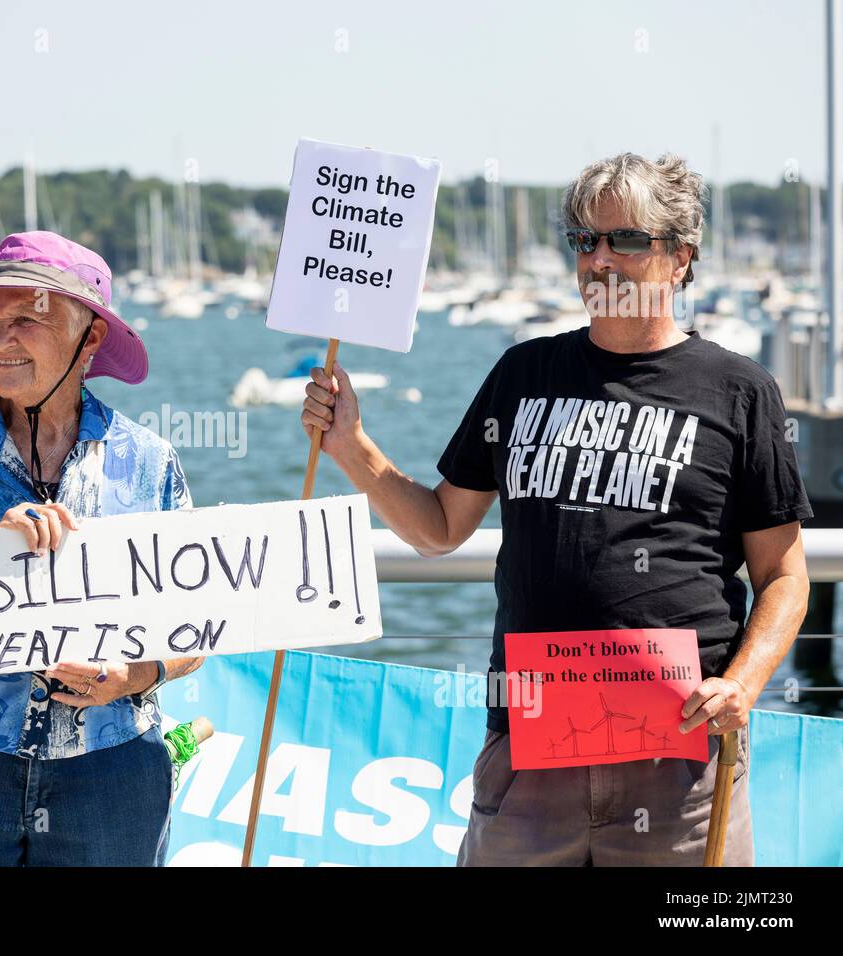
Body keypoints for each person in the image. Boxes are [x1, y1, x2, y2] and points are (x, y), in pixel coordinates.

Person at [301, 153, 813, 866]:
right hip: (529, 747)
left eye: (625, 240)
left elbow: (785, 576)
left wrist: (744, 685)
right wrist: (352, 448)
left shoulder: (739, 391)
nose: (599, 259)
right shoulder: (523, 373)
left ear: (680, 258)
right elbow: (441, 528)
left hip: (680, 755)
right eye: (584, 241)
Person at [0, 231, 202, 866]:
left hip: (110, 772)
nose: (1, 340)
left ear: (92, 337)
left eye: (27, 318)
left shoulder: (150, 462)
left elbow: (193, 631)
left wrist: (131, 676)